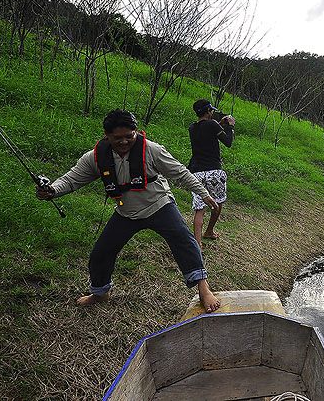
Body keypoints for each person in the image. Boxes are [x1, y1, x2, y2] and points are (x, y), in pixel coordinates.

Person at [35, 108, 221, 311]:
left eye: (128, 136)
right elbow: (72, 179)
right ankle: (100, 292)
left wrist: (204, 194)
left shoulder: (152, 150)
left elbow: (180, 172)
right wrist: (52, 191)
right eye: (117, 138)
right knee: (101, 253)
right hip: (126, 212)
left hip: (158, 204)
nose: (123, 142)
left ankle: (203, 289)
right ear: (107, 136)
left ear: (136, 132)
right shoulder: (96, 157)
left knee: (183, 240)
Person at [187, 99, 235, 247]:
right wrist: (230, 127)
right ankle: (209, 231)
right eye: (211, 111)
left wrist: (220, 124)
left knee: (199, 209)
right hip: (214, 170)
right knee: (217, 203)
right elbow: (227, 142)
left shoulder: (192, 128)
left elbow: (207, 132)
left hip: (196, 172)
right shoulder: (213, 124)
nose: (212, 113)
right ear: (208, 111)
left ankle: (198, 243)